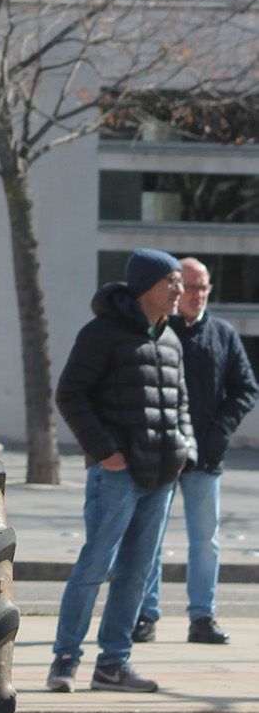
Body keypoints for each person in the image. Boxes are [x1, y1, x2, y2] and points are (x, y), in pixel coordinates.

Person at [45, 248, 194, 694]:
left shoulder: (170, 339)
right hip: (117, 476)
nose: (179, 290)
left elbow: (181, 402)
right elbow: (70, 394)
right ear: (147, 284)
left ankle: (113, 665)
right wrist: (106, 452)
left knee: (136, 573)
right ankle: (65, 660)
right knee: (95, 566)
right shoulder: (102, 334)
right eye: (172, 281)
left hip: (161, 477)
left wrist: (183, 446)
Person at [129, 256, 258, 647]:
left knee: (206, 540)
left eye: (204, 287)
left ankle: (202, 617)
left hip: (206, 457)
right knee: (152, 537)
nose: (197, 295)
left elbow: (245, 388)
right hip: (162, 455)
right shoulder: (156, 332)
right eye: (190, 286)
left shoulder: (222, 334)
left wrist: (219, 434)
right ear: (175, 289)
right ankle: (145, 615)